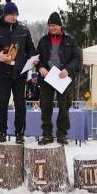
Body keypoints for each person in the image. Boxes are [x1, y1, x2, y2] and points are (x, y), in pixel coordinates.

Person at [0, 0, 36, 144]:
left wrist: (32, 58)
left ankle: (20, 133)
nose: (14, 17)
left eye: (16, 14)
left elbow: (30, 48)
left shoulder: (24, 30)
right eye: (11, 14)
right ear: (4, 15)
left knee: (20, 105)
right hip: (2, 74)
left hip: (20, 74)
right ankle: (1, 132)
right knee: (2, 104)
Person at [36, 11, 81, 145]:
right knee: (46, 106)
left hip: (63, 78)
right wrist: (40, 67)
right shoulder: (43, 40)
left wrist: (68, 70)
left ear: (60, 26)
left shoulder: (70, 40)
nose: (52, 28)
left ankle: (62, 134)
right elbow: (36, 58)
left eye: (54, 25)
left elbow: (77, 59)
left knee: (63, 106)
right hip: (46, 78)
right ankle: (47, 135)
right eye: (50, 25)